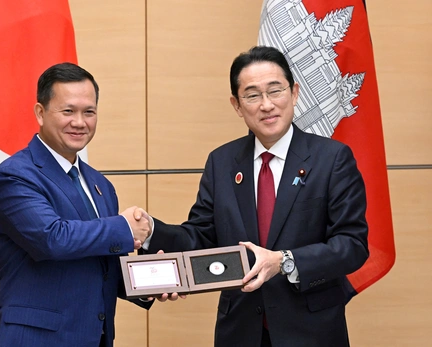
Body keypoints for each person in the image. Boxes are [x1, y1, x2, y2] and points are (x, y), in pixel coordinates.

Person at [144, 46, 369, 346]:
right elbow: (200, 238)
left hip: (310, 330)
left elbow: (352, 245)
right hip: (240, 330)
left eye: (275, 91)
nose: (266, 105)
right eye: (252, 95)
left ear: (295, 93)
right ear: (237, 105)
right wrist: (151, 232)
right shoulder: (221, 162)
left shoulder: (332, 158)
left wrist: (284, 261)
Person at [0, 62, 153, 347]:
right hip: (35, 339)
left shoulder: (100, 185)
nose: (80, 122)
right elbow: (52, 239)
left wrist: (148, 284)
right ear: (40, 113)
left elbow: (98, 264)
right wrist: (125, 228)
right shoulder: (15, 175)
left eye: (89, 112)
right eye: (68, 111)